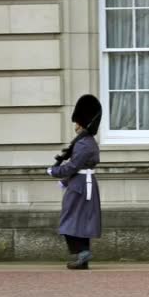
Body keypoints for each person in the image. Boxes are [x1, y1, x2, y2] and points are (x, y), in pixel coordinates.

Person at [47, 94, 102, 270]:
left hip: (79, 185)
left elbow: (72, 166)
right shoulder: (87, 142)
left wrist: (54, 171)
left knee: (69, 220)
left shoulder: (83, 144)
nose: (75, 126)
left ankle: (82, 253)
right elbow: (78, 167)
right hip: (82, 183)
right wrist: (65, 181)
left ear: (83, 123)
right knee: (81, 221)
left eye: (77, 123)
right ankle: (82, 256)